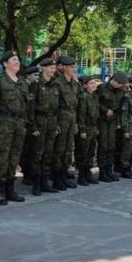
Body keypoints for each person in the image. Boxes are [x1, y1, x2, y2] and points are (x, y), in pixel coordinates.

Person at [0, 50, 29, 205]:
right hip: (4, 122)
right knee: (2, 156)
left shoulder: (22, 81)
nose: (17, 62)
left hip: (19, 123)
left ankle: (11, 189)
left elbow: (26, 105)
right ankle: (1, 192)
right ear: (5, 63)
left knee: (14, 156)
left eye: (18, 59)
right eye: (14, 60)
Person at [27, 58, 61, 195]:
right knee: (37, 154)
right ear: (43, 68)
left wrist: (57, 124)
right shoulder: (35, 84)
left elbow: (57, 107)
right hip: (39, 121)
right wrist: (33, 126)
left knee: (48, 154)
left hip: (51, 122)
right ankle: (36, 184)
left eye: (54, 68)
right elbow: (30, 107)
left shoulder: (55, 85)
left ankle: (45, 182)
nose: (53, 70)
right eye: (50, 68)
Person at [51, 57, 80, 190]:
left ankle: (64, 175)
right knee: (59, 149)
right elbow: (55, 106)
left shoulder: (74, 84)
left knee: (69, 149)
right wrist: (56, 123)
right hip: (62, 118)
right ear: (64, 68)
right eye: (71, 67)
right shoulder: (58, 83)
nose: (73, 69)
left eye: (74, 67)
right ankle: (57, 178)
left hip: (71, 117)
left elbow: (76, 104)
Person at [97, 71, 127, 182]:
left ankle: (109, 170)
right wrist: (105, 110)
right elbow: (95, 102)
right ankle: (102, 172)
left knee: (112, 146)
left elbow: (121, 108)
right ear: (113, 80)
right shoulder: (101, 88)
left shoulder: (122, 91)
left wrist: (119, 122)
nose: (120, 86)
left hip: (113, 121)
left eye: (122, 84)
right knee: (104, 146)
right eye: (119, 83)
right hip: (103, 121)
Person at [75, 75, 100, 186]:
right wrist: (82, 130)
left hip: (93, 128)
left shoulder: (95, 96)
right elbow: (81, 115)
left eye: (94, 83)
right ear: (85, 86)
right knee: (83, 153)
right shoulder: (83, 97)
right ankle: (82, 176)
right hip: (86, 128)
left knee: (91, 152)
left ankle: (88, 173)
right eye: (91, 83)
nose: (94, 85)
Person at [20, 65, 40, 185]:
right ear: (28, 76)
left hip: (29, 123)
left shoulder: (33, 87)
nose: (37, 77)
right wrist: (31, 126)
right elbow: (27, 109)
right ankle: (26, 174)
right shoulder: (24, 86)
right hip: (24, 124)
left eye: (38, 75)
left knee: (31, 150)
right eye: (35, 75)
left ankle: (29, 174)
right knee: (25, 151)